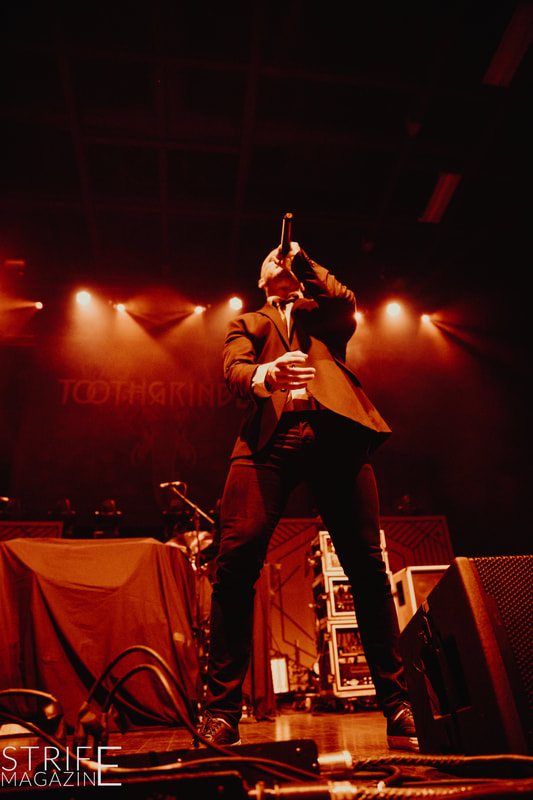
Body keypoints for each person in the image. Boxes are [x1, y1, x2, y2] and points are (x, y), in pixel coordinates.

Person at [197, 240, 418, 751]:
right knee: (235, 563)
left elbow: (344, 299)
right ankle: (221, 713)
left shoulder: (325, 314)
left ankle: (398, 706)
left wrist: (301, 259)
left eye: (287, 260)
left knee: (367, 568)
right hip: (268, 442)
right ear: (259, 279)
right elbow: (234, 371)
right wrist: (266, 374)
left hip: (336, 434)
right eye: (272, 259)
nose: (280, 262)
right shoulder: (247, 322)